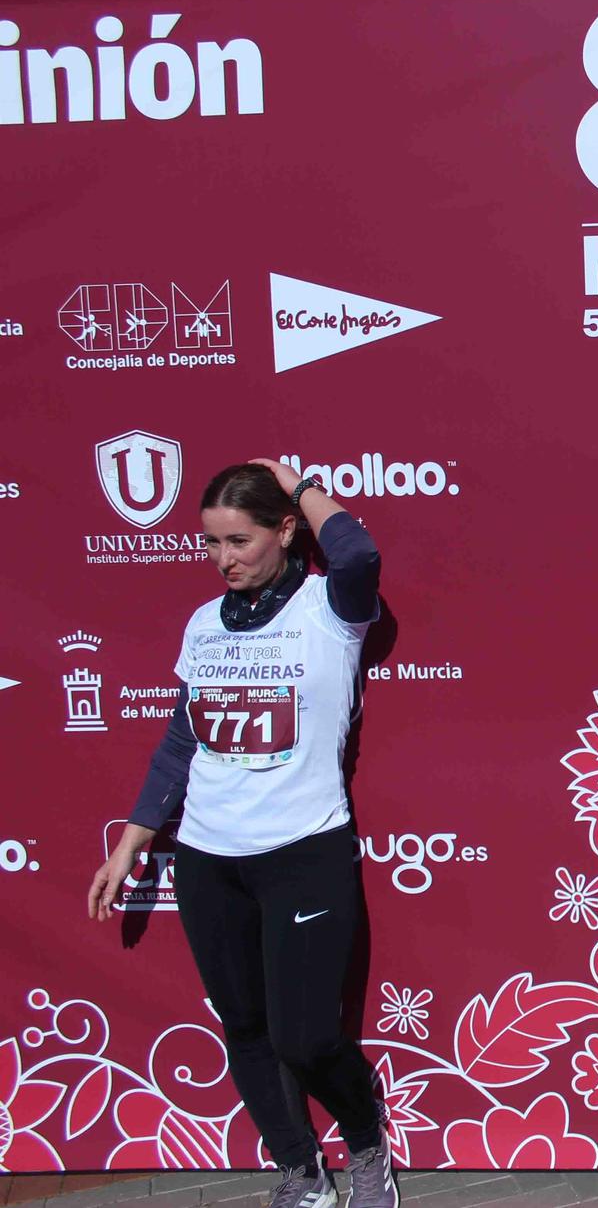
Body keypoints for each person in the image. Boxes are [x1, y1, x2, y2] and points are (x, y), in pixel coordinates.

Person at [87, 459, 397, 1208]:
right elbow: (179, 740)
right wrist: (133, 838)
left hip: (303, 852)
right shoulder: (202, 624)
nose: (224, 558)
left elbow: (359, 553)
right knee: (247, 1027)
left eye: (240, 540)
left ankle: (367, 1147)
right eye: (211, 543)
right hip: (207, 857)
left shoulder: (330, 606)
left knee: (307, 1038)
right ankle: (300, 1170)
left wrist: (294, 482)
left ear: (285, 532)